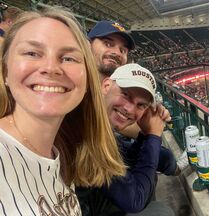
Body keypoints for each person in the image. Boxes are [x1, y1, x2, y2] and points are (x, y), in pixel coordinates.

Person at [0, 6, 125, 215]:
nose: (51, 67)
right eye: (32, 53)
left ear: (87, 77)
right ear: (5, 71)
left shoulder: (62, 152)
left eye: (68, 58)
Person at [77, 63, 175, 216]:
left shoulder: (99, 123)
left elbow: (125, 158)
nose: (130, 109)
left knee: (155, 164)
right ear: (106, 86)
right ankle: (177, 169)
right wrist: (153, 135)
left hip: (94, 199)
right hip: (86, 206)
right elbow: (134, 201)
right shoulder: (88, 131)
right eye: (126, 94)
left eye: (141, 105)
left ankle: (176, 169)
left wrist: (146, 133)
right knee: (161, 212)